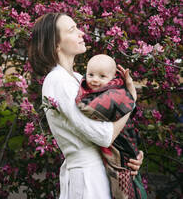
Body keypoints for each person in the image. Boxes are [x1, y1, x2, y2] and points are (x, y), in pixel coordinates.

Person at [28, 13, 144, 199]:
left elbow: (111, 123)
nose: (82, 33)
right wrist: (130, 100)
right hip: (88, 179)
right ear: (56, 44)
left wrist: (129, 155)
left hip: (101, 171)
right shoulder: (57, 80)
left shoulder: (76, 79)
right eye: (72, 30)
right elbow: (103, 135)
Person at [75, 54, 147, 199]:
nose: (95, 79)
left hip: (122, 143)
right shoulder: (80, 84)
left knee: (125, 179)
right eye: (91, 74)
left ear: (113, 78)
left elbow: (90, 107)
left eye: (102, 76)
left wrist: (131, 96)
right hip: (101, 155)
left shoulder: (114, 92)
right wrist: (132, 97)